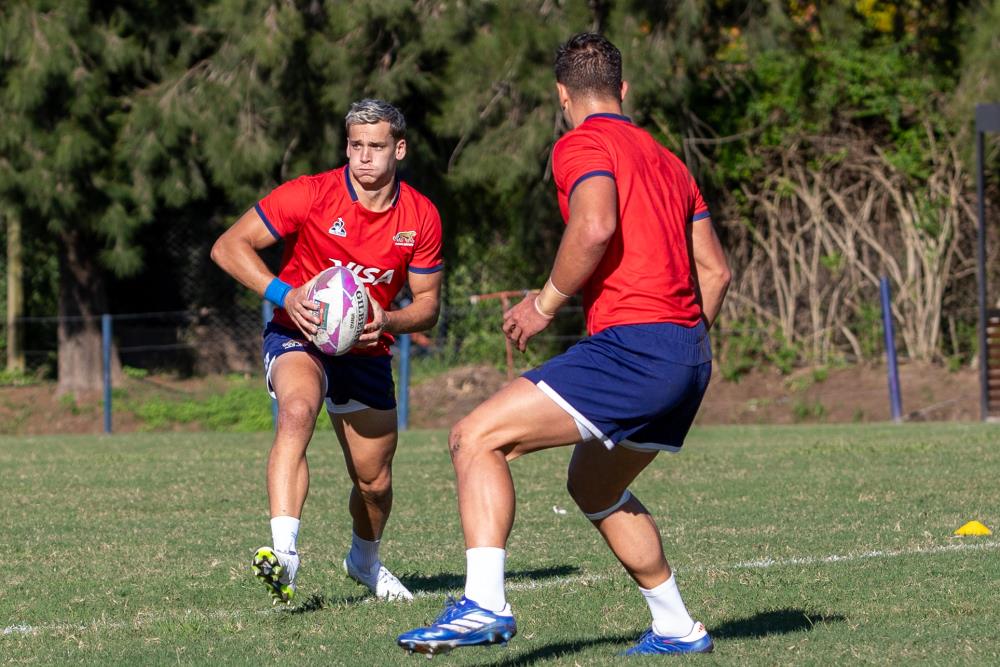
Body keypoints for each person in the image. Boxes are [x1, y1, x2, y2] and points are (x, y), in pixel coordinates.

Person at [396, 33, 730, 657]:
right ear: (623, 89)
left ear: (562, 94)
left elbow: (595, 225)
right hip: (689, 355)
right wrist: (680, 344)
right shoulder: (670, 163)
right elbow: (716, 272)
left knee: (475, 437)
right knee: (595, 487)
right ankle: (677, 628)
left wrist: (543, 303)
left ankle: (483, 604)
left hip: (634, 349)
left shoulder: (581, 143)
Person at [211, 98, 444, 605]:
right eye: (356, 145)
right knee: (297, 410)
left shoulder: (421, 216)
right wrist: (285, 295)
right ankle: (285, 555)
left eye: (376, 146)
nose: (364, 157)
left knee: (374, 482)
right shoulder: (312, 194)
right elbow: (228, 246)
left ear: (399, 149)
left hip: (367, 351)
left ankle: (364, 561)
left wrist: (389, 320)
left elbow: (428, 306)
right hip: (298, 334)